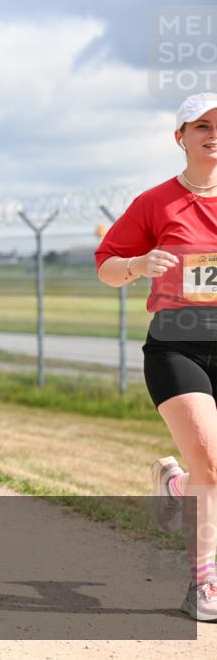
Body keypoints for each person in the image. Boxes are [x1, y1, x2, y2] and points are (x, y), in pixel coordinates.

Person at [95, 92, 217, 621]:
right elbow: (105, 266)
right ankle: (206, 584)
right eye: (202, 125)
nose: (213, 134)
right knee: (211, 462)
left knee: (205, 470)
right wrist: (139, 264)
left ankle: (173, 485)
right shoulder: (155, 202)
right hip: (178, 344)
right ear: (180, 137)